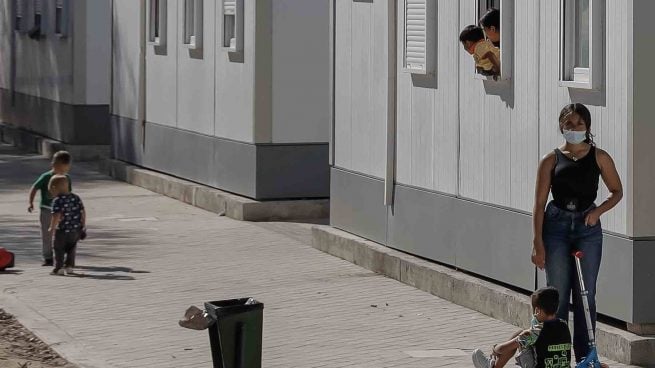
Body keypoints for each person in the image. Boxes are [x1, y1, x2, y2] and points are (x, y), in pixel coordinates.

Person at [532, 103, 623, 365]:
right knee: (557, 293)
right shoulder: (550, 160)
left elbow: (616, 191)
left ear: (588, 127)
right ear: (561, 127)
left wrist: (598, 213)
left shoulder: (599, 157)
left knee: (586, 294)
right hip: (557, 226)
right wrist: (537, 242)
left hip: (587, 227)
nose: (574, 129)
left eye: (579, 124)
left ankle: (586, 356)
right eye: (568, 124)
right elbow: (538, 205)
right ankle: (555, 355)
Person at [472, 287, 571, 368]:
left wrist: (495, 348)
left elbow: (503, 349)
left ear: (537, 310)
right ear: (556, 308)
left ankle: (492, 367)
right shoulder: (564, 325)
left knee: (521, 336)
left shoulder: (535, 332)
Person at [28, 151, 73, 266]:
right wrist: (31, 202)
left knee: (62, 234)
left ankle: (62, 257)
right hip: (47, 209)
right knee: (47, 234)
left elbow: (69, 194)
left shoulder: (66, 178)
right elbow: (34, 187)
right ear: (55, 164)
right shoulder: (46, 176)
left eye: (66, 169)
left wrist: (70, 208)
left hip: (61, 211)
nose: (64, 172)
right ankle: (48, 257)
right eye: (61, 168)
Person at [48, 175, 85, 276]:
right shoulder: (76, 198)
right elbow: (82, 212)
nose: (51, 192)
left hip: (62, 230)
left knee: (58, 249)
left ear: (54, 188)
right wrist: (83, 224)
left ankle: (58, 268)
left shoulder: (57, 200)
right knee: (71, 249)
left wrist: (52, 226)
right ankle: (69, 266)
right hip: (75, 230)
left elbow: (56, 215)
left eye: (51, 190)